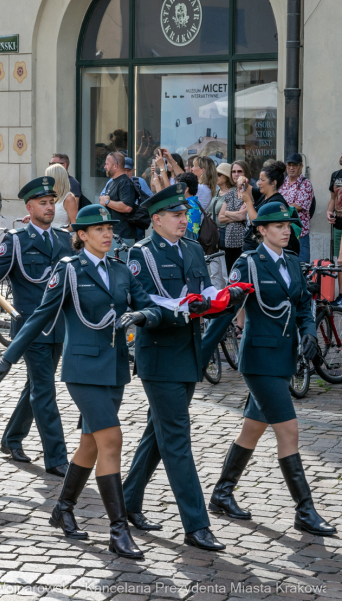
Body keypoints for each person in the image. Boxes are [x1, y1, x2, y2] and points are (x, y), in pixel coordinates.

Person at [0, 204, 161, 559]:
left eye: (109, 228)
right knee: (111, 438)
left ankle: (63, 508)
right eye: (98, 229)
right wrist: (8, 357)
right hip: (82, 370)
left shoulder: (120, 270)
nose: (107, 233)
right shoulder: (69, 270)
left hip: (113, 368)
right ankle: (118, 530)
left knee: (91, 445)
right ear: (81, 235)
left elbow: (147, 304)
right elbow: (40, 316)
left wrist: (144, 314)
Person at [202, 202, 336, 537]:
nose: (285, 229)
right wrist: (201, 352)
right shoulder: (248, 263)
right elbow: (226, 307)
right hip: (259, 360)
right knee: (289, 432)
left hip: (284, 357)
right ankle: (305, 510)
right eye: (277, 225)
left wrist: (308, 334)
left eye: (288, 224)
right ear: (261, 230)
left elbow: (304, 304)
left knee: (252, 429)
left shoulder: (291, 260)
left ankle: (221, 493)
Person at [121, 183, 236, 551]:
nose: (183, 220)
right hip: (158, 356)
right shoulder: (142, 254)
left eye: (184, 214)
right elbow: (150, 303)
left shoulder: (191, 249)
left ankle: (127, 501)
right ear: (156, 219)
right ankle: (196, 524)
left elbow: (200, 292)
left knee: (158, 432)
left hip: (188, 354)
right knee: (177, 440)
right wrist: (190, 307)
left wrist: (214, 301)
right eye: (175, 215)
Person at [0, 176, 74, 476]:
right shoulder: (17, 242)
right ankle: (57, 458)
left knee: (36, 385)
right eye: (43, 203)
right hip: (29, 330)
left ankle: (12, 438)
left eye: (52, 202)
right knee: (45, 390)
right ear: (29, 207)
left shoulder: (65, 241)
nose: (49, 208)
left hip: (58, 329)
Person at [239, 161, 298, 254]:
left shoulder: (277, 202)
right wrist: (242, 179)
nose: (258, 183)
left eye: (262, 180)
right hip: (250, 246)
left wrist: (248, 202)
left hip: (259, 250)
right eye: (259, 180)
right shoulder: (263, 195)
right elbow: (247, 187)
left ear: (273, 183)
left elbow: (257, 222)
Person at [98, 151, 137, 251]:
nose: (105, 167)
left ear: (115, 166)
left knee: (119, 266)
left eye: (107, 164)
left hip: (122, 236)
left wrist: (107, 202)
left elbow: (127, 207)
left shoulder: (124, 182)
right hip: (112, 235)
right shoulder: (112, 182)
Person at [280, 153, 313, 263]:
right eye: (289, 165)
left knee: (301, 267)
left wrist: (281, 207)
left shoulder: (305, 184)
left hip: (300, 233)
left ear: (301, 166)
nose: (291, 168)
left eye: (294, 165)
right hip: (283, 232)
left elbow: (298, 206)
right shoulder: (282, 183)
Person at [218, 161, 249, 270]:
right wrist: (234, 215)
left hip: (244, 241)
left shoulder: (249, 192)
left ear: (246, 173)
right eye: (233, 172)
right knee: (231, 276)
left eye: (239, 171)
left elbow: (242, 217)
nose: (236, 174)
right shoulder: (231, 193)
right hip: (229, 241)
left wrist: (227, 213)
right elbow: (220, 218)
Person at [47, 163, 78, 229]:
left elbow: (75, 225)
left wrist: (59, 232)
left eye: (48, 177)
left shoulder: (68, 198)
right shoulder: (52, 196)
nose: (46, 181)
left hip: (61, 237)